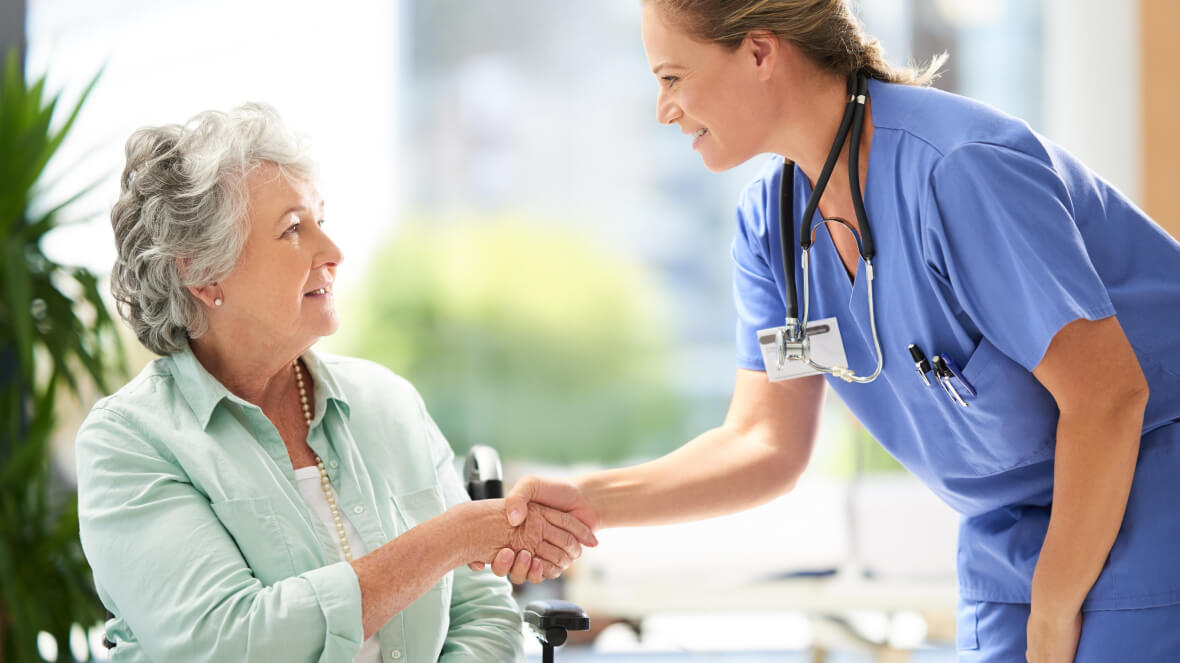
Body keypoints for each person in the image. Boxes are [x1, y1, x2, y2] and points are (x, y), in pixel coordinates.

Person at [488, 1, 1180, 661]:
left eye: (673, 78)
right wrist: (588, 502)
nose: (664, 109)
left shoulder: (959, 168)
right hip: (1006, 531)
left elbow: (1109, 396)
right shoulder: (773, 228)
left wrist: (1056, 604)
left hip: (1145, 484)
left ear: (760, 50)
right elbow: (763, 443)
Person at [75, 103, 595, 663]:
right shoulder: (128, 442)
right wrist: (455, 536)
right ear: (201, 272)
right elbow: (230, 642)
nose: (334, 252)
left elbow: (484, 613)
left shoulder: (388, 403)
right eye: (294, 228)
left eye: (323, 220)